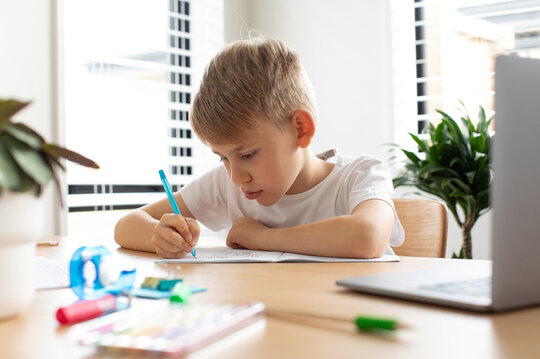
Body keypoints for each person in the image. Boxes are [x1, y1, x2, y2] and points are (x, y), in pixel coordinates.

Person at [114, 36, 404, 259]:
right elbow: (126, 226)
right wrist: (160, 234)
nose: (235, 176)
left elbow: (368, 237)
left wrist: (262, 238)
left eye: (247, 155)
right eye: (223, 159)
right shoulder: (231, 184)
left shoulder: (361, 175)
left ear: (300, 129)